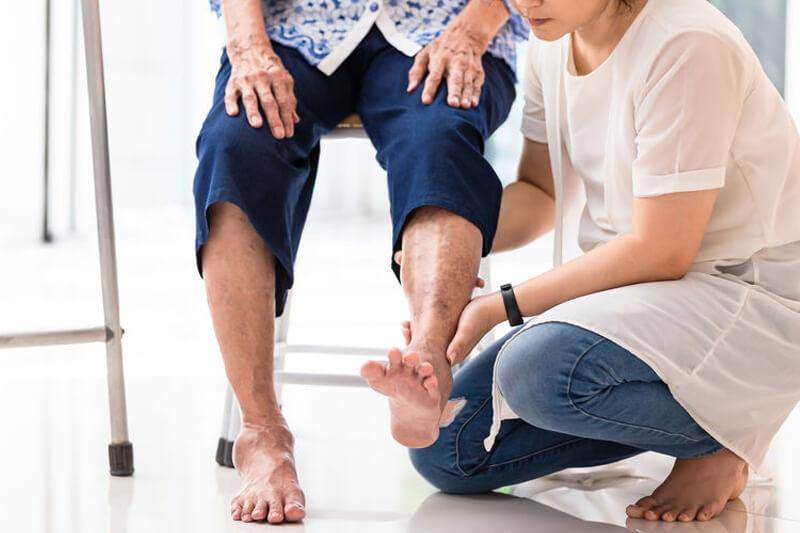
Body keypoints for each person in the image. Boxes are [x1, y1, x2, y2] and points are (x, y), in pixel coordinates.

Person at [406, 0, 800, 523]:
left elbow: (663, 249)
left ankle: (721, 443)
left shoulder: (687, 43)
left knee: (538, 371)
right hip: (651, 292)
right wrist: (440, 241)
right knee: (447, 451)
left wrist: (498, 307)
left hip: (748, 290)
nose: (526, 3)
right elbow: (539, 193)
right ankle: (709, 428)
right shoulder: (551, 40)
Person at [193, 0, 528, 524]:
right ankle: (260, 432)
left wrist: (474, 28)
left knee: (440, 138)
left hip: (445, 24)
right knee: (236, 144)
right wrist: (247, 43)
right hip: (294, 26)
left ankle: (427, 365)